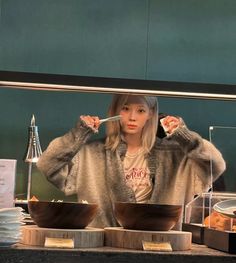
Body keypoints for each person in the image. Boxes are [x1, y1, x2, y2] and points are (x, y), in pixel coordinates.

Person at [37, 94, 226, 229]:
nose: (132, 117)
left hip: (162, 249)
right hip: (103, 250)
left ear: (151, 114)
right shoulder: (91, 154)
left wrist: (185, 137)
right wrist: (77, 135)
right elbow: (47, 164)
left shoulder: (175, 155)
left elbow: (216, 166)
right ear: (115, 111)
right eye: (125, 108)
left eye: (140, 110)